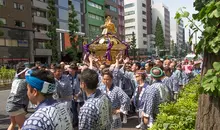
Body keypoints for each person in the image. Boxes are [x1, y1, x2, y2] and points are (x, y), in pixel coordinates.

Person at [6, 63, 29, 130]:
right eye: (25, 72)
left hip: (10, 104)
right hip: (17, 106)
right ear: (22, 73)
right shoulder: (25, 82)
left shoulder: (15, 79)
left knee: (13, 124)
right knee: (22, 126)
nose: (26, 73)